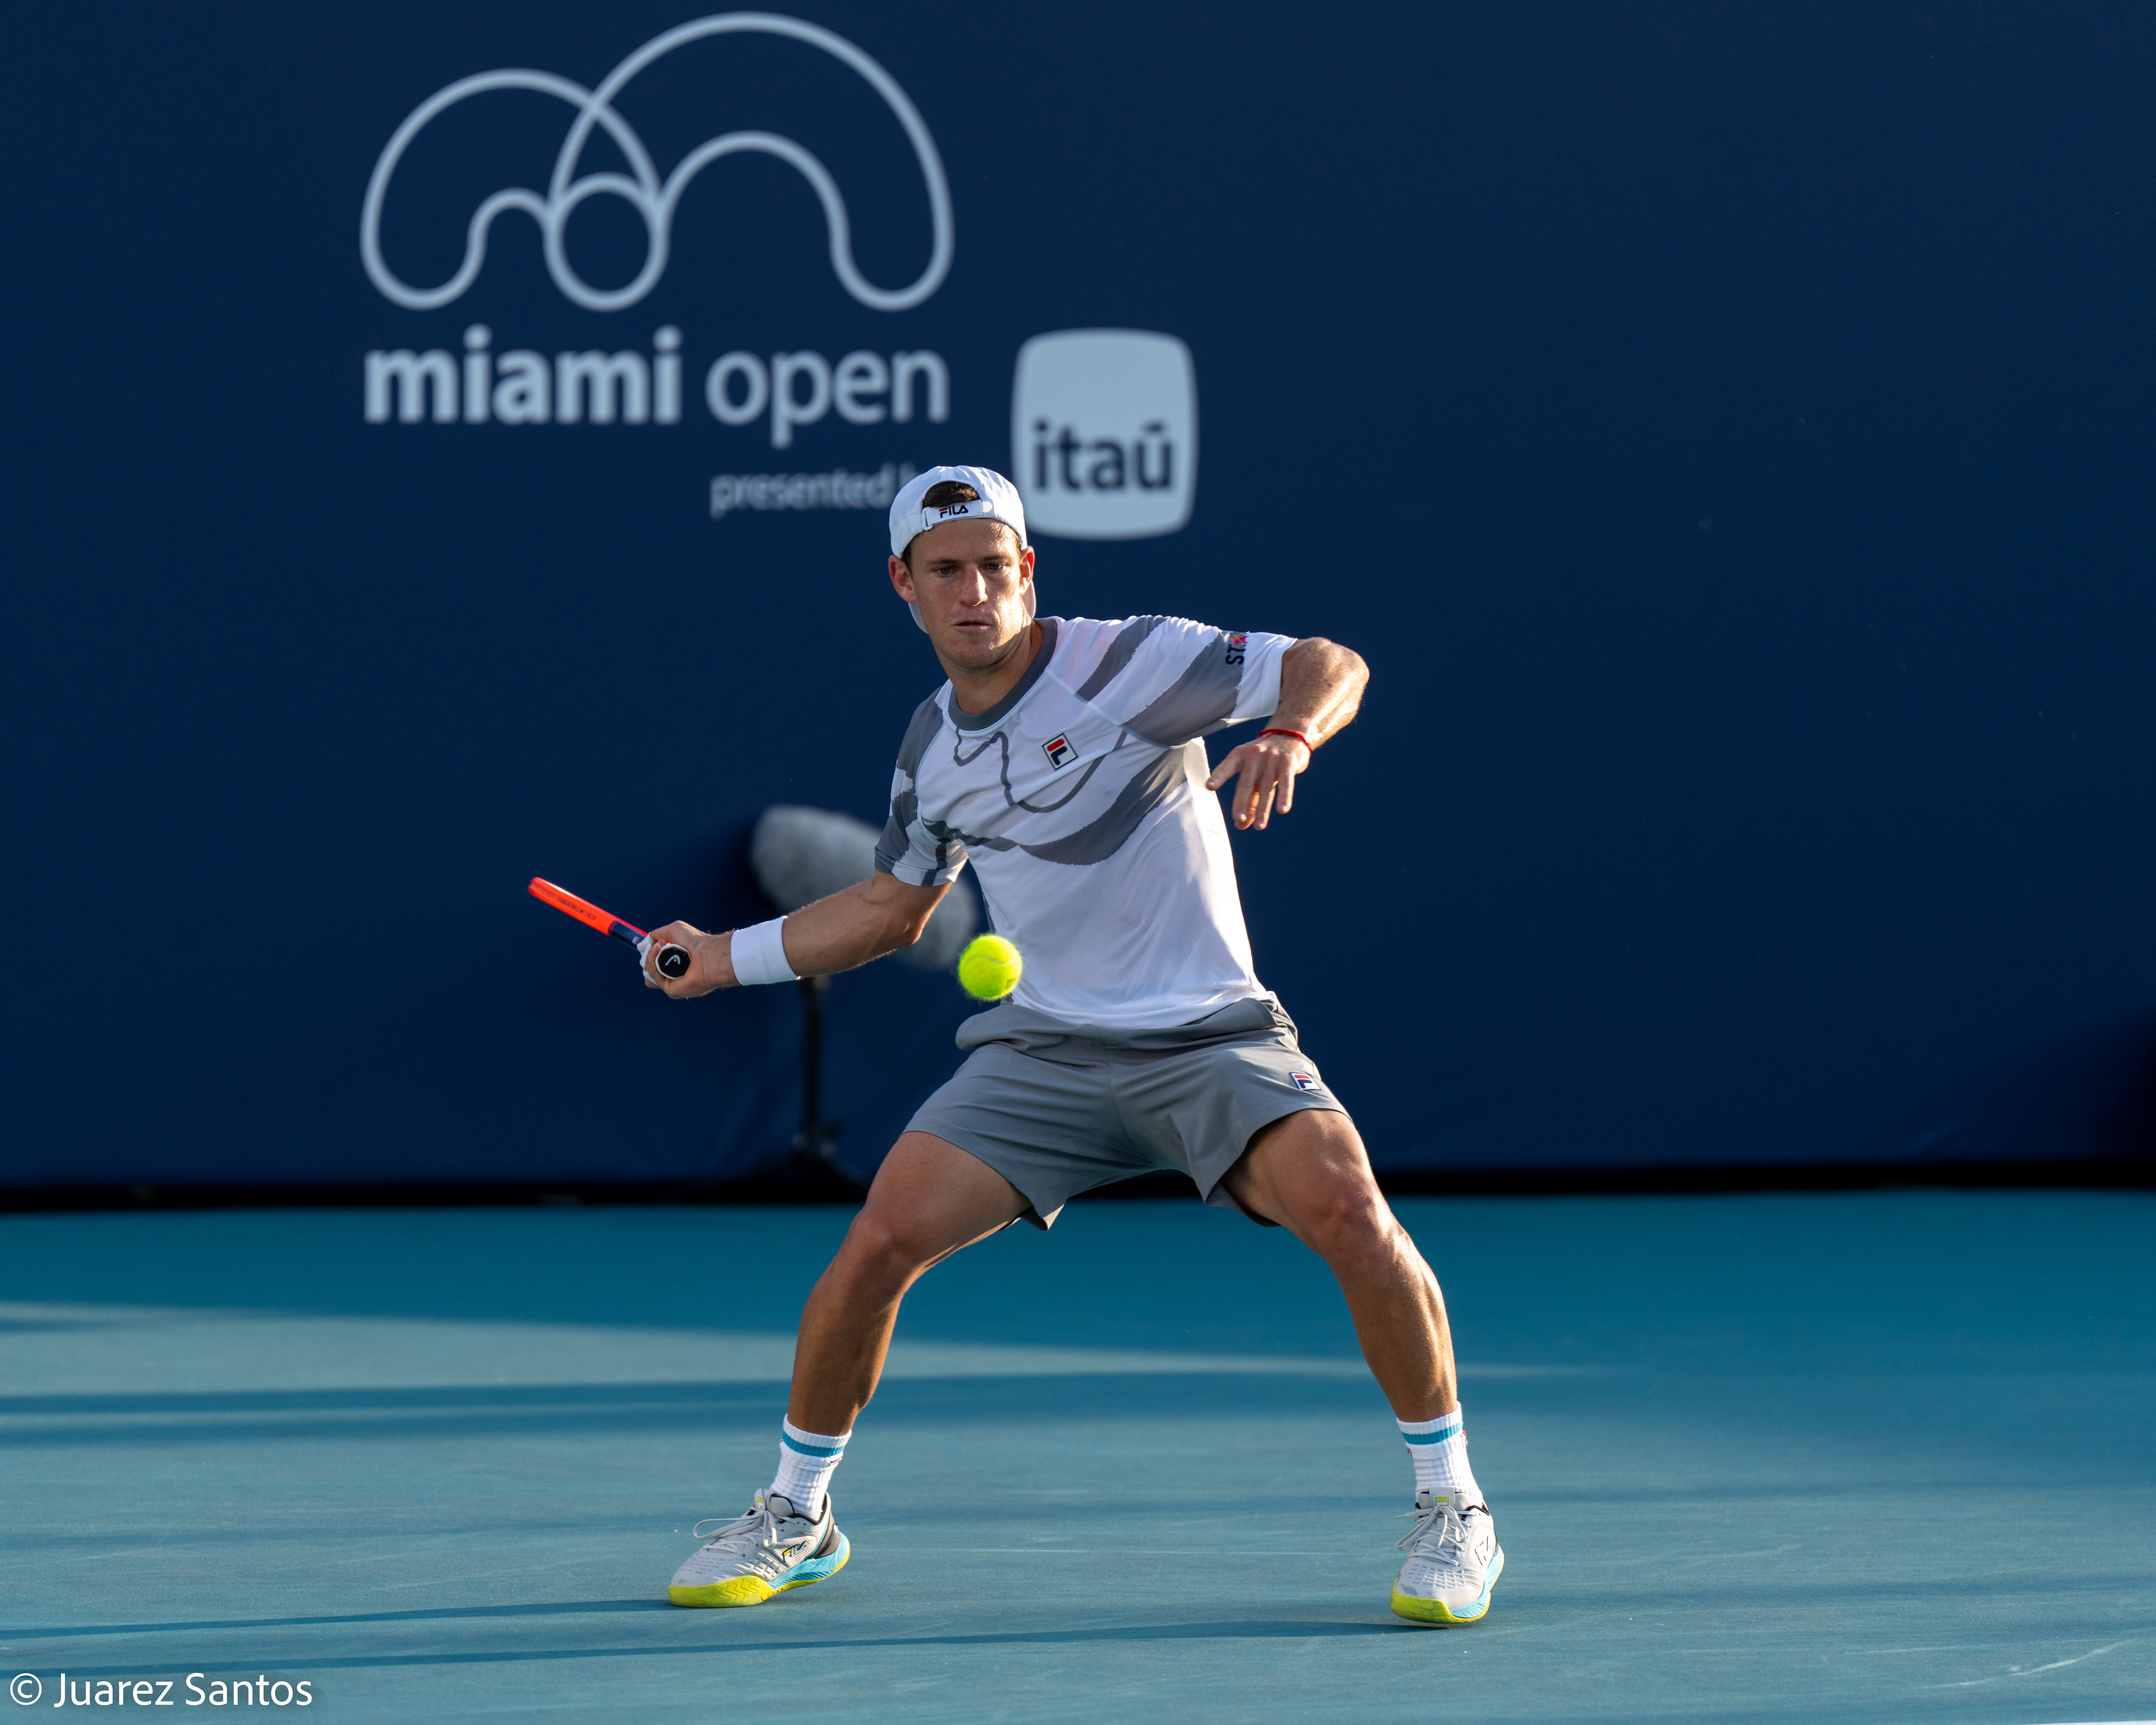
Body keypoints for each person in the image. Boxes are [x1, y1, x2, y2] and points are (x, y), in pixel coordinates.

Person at [640, 465, 1501, 1626]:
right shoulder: (930, 749)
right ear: (904, 584)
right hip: (1044, 1053)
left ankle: (1455, 1508)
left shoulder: (1131, 661)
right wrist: (722, 956)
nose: (975, 591)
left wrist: (1292, 732)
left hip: (1208, 1034)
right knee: (879, 1242)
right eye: (947, 571)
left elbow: (1329, 660)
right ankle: (799, 1515)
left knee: (1350, 1209)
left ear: (1028, 571)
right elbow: (891, 911)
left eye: (996, 567)